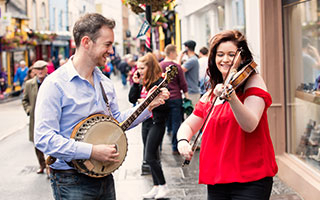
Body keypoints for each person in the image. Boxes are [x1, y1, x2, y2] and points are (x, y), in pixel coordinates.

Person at [34, 13, 169, 200]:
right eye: (107, 44)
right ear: (86, 42)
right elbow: (43, 138)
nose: (111, 51)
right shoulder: (55, 84)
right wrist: (91, 151)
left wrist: (148, 106)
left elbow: (116, 122)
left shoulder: (104, 83)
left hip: (104, 176)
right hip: (70, 180)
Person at [177, 30, 278, 200]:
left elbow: (250, 124)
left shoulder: (253, 82)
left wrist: (231, 98)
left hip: (251, 179)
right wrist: (183, 141)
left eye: (231, 54)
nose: (225, 60)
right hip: (218, 178)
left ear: (242, 58)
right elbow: (188, 125)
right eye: (220, 54)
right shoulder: (212, 93)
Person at [129, 52, 170, 199]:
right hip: (145, 123)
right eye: (137, 68)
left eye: (142, 67)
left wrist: (146, 103)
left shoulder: (158, 83)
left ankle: (164, 186)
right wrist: (135, 83)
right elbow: (132, 99)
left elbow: (166, 106)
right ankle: (156, 186)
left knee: (150, 156)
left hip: (156, 123)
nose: (139, 71)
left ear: (150, 67)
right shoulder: (144, 82)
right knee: (152, 156)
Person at [160, 44, 188, 154]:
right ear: (171, 53)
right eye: (175, 52)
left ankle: (159, 147)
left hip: (163, 98)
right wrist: (187, 98)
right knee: (177, 123)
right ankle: (175, 147)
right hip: (176, 97)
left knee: (161, 122)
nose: (176, 55)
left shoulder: (160, 66)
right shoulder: (176, 66)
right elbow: (183, 84)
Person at [22, 60, 48, 174]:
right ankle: (42, 165)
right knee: (37, 143)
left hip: (50, 117)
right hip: (36, 119)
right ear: (34, 71)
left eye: (43, 68)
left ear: (46, 69)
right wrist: (29, 110)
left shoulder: (53, 81)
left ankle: (51, 166)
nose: (41, 71)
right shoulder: (29, 84)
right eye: (38, 69)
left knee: (52, 141)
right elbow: (25, 100)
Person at [178, 40, 200, 106]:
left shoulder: (192, 60)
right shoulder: (193, 59)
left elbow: (179, 70)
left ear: (186, 48)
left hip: (192, 91)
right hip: (192, 90)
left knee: (190, 114)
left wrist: (179, 57)